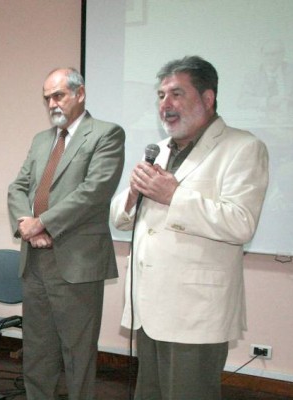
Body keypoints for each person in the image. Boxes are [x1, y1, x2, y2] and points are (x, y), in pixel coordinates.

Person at [110, 56, 269, 399]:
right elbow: (119, 218)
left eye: (176, 94)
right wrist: (134, 195)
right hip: (149, 306)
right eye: (161, 95)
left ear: (208, 99)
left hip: (196, 311)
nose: (165, 104)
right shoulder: (162, 150)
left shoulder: (242, 147)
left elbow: (241, 222)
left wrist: (175, 196)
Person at [8, 68, 125, 400]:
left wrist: (42, 222)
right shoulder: (41, 140)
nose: (51, 104)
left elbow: (94, 192)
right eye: (47, 98)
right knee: (37, 350)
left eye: (58, 95)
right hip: (35, 261)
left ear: (80, 94)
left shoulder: (106, 134)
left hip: (76, 263)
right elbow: (17, 187)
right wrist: (26, 226)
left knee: (78, 354)